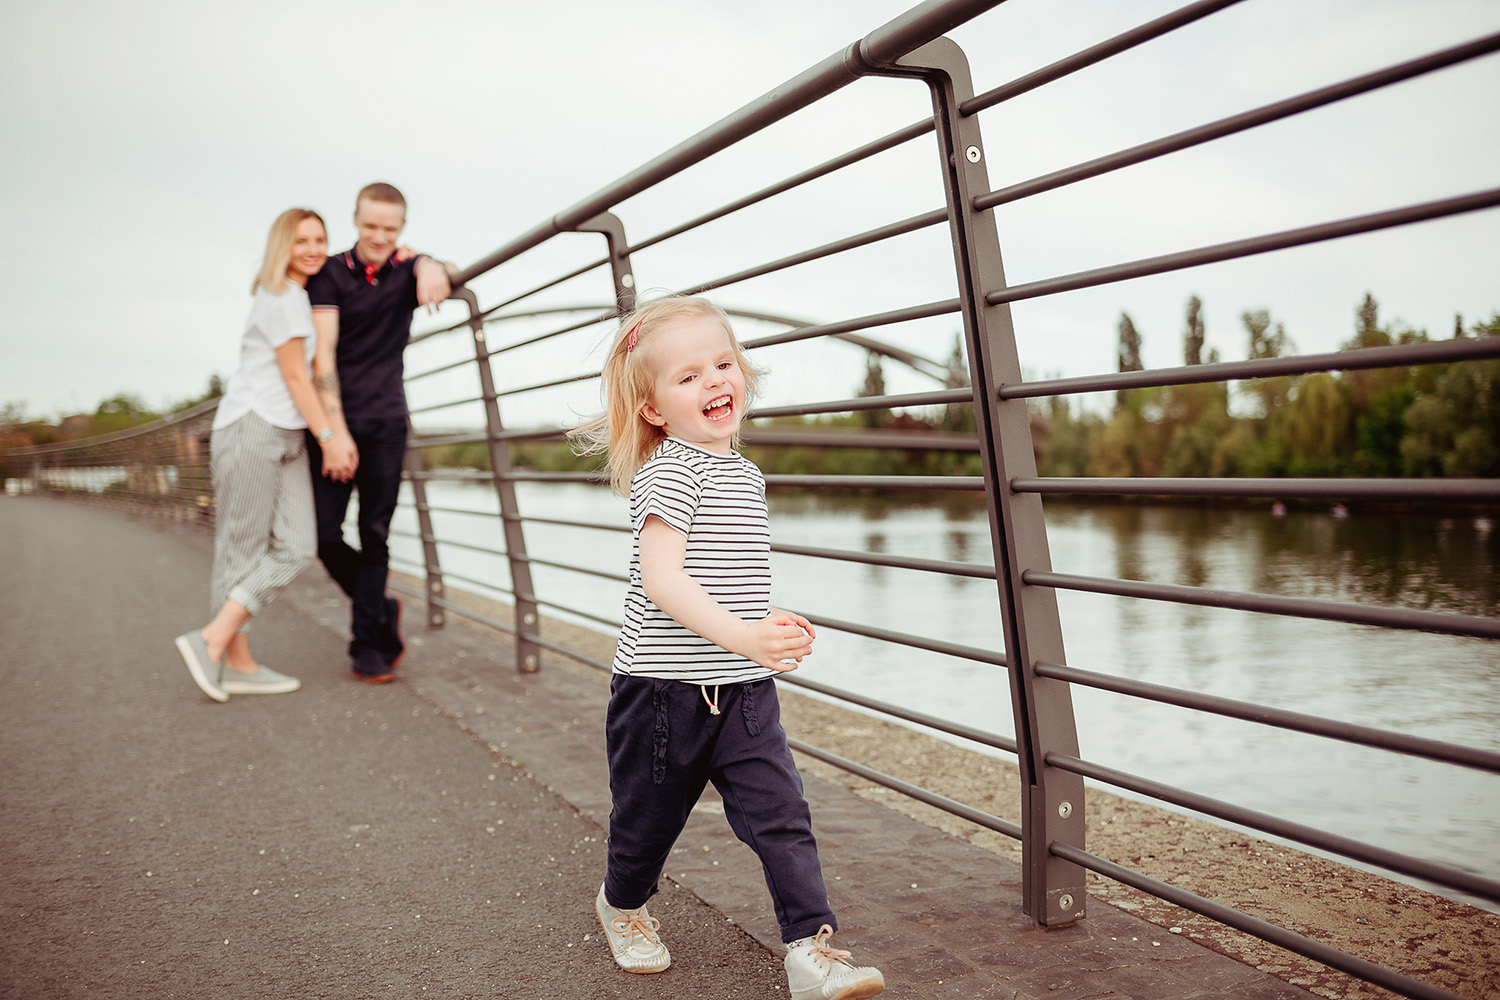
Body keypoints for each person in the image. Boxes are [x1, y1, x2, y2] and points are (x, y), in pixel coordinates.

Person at [570, 296, 885, 1000]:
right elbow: (662, 580)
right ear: (653, 409)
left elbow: (720, 576)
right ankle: (621, 905)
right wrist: (742, 633)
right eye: (687, 377)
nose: (715, 381)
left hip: (742, 687)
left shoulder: (743, 471)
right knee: (647, 823)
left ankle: (811, 949)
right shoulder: (671, 470)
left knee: (782, 814)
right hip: (661, 694)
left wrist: (759, 619)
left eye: (723, 363)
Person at [175, 208, 336, 701]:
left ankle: (217, 640)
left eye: (320, 240)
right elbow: (295, 378)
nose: (312, 249)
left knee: (297, 546)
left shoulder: (295, 296)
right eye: (301, 240)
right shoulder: (282, 297)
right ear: (281, 246)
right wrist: (330, 437)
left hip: (285, 434)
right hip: (252, 429)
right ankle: (231, 656)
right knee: (240, 548)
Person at [304, 182, 455, 683]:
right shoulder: (329, 273)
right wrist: (334, 433)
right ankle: (380, 608)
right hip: (335, 423)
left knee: (375, 534)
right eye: (370, 225)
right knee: (325, 537)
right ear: (355, 220)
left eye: (389, 228)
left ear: (402, 229)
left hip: (388, 421)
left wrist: (428, 262)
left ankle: (365, 646)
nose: (378, 236)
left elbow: (448, 274)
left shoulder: (408, 268)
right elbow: (321, 356)